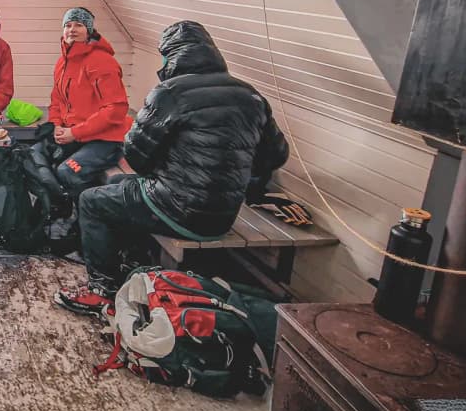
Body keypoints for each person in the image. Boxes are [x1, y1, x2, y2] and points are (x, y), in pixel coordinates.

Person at [55, 20, 308, 317]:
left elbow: (137, 158)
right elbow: (275, 156)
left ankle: (102, 290)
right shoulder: (250, 95)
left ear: (170, 56)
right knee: (120, 183)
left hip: (175, 210)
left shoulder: (169, 93)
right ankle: (129, 261)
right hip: (222, 216)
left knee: (92, 201)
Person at [47, 7, 131, 199]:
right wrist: (56, 125)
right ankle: (63, 209)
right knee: (42, 156)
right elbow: (57, 100)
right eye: (68, 25)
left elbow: (115, 110)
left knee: (68, 171)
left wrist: (74, 133)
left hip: (107, 140)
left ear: (89, 30)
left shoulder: (102, 61)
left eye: (79, 25)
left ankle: (91, 213)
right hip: (79, 134)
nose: (72, 29)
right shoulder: (63, 62)